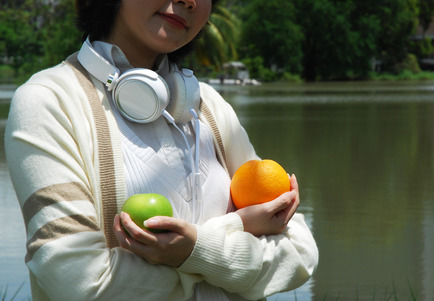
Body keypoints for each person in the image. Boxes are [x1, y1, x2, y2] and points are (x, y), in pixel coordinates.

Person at [5, 0, 319, 300]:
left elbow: (299, 252)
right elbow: (81, 283)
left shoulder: (209, 107)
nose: (190, 1)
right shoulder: (48, 101)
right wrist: (227, 235)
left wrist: (195, 250)